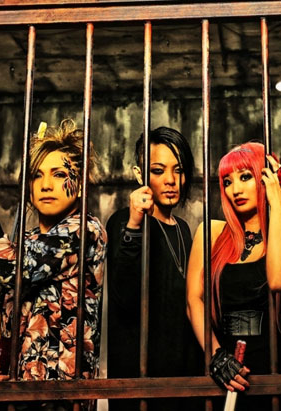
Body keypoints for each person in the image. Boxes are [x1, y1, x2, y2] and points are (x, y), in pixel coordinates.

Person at [0, 119, 106, 410]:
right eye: (37, 176)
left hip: (57, 397)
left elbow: (9, 270)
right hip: (6, 392)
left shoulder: (85, 231)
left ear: (80, 184)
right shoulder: (25, 241)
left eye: (59, 174)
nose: (46, 185)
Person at [186, 142, 281, 409]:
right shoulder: (210, 233)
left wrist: (277, 204)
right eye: (227, 182)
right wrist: (216, 356)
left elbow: (278, 280)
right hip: (223, 371)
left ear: (267, 179)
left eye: (245, 177)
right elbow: (193, 300)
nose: (235, 189)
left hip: (278, 372)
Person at [106, 127, 202, 410]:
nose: (170, 180)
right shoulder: (123, 221)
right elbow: (124, 296)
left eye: (179, 170)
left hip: (184, 382)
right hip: (140, 386)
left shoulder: (184, 229)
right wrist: (134, 224)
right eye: (158, 171)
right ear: (140, 175)